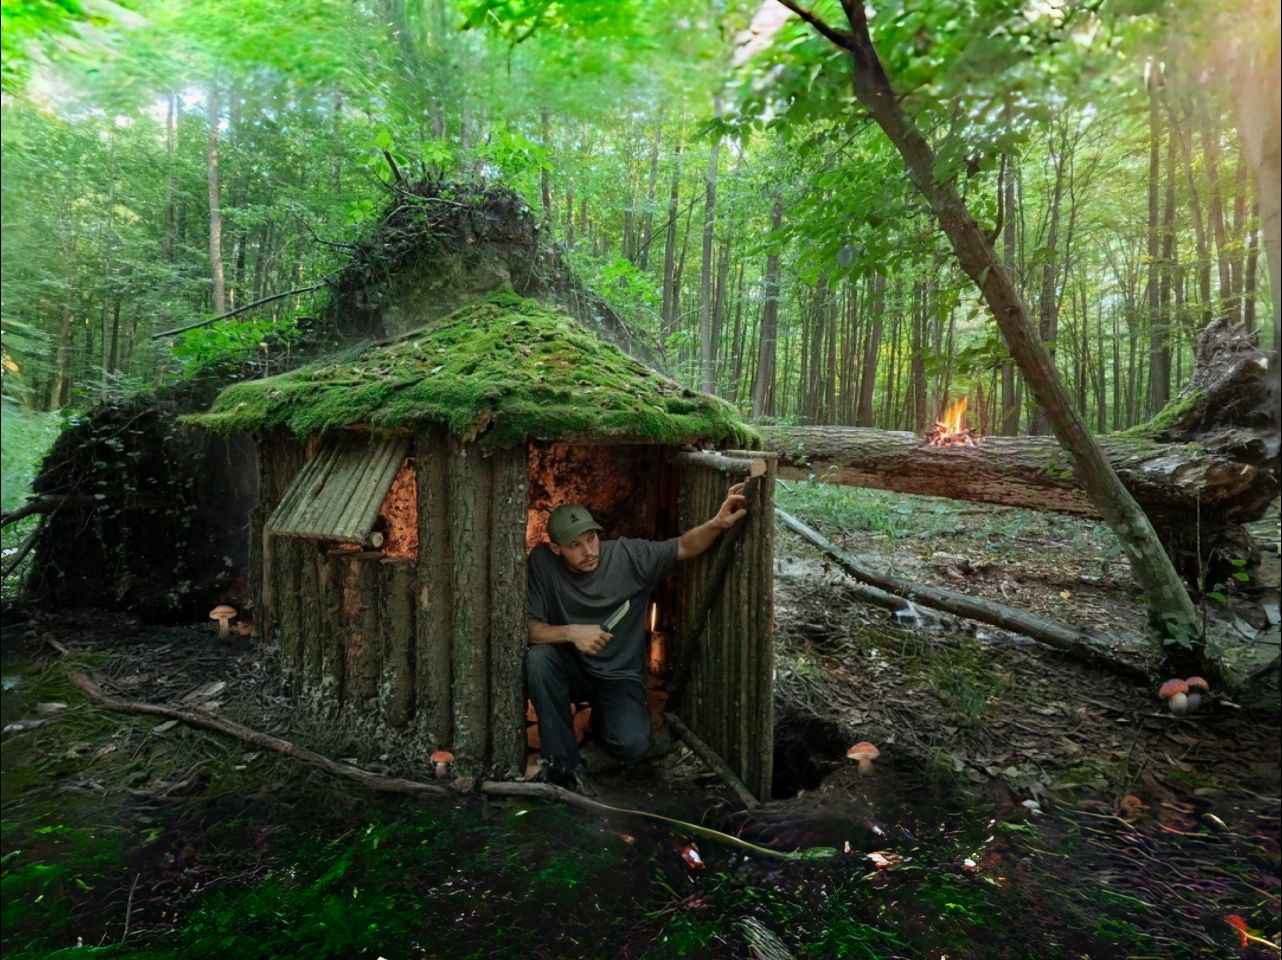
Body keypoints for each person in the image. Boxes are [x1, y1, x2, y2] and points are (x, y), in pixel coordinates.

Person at [525, 484, 748, 791]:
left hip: (619, 676)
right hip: (571, 667)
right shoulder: (542, 563)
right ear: (556, 549)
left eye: (591, 538)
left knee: (631, 745)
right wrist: (572, 632)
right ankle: (562, 765)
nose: (589, 551)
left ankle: (603, 722)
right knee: (538, 659)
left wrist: (717, 523)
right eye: (575, 545)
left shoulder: (629, 556)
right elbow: (530, 630)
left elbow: (683, 546)